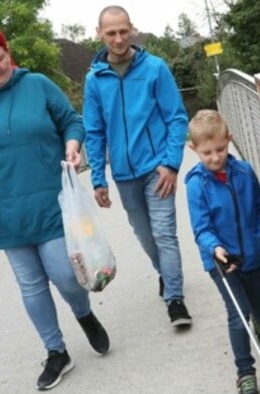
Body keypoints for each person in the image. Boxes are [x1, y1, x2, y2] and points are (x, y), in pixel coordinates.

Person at [0, 26, 109, 391]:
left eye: (0, 59)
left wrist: (72, 146)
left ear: (9, 55)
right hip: (4, 212)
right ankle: (56, 352)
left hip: (50, 201)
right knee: (31, 285)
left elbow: (72, 121)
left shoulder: (36, 84)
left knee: (66, 275)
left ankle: (83, 314)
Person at [82, 5, 191, 327]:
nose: (117, 38)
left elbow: (176, 117)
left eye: (122, 31)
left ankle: (175, 300)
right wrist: (98, 180)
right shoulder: (94, 80)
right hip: (124, 176)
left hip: (157, 170)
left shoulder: (155, 68)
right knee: (146, 237)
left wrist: (171, 164)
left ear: (132, 29)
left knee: (164, 234)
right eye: (111, 32)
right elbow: (94, 130)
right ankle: (166, 274)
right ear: (99, 34)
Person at [184, 110, 260, 394]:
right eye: (207, 152)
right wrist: (215, 249)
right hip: (221, 262)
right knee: (239, 313)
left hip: (250, 254)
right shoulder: (196, 184)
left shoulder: (246, 173)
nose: (214, 158)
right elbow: (201, 228)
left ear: (229, 142)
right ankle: (245, 374)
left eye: (220, 150)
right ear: (193, 149)